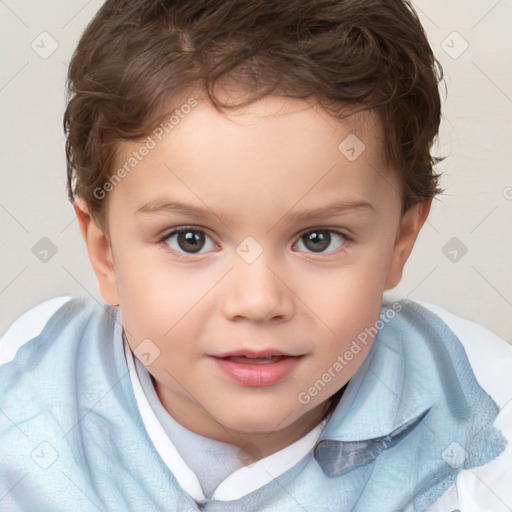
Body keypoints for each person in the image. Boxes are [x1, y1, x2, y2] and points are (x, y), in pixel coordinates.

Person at [1, 0, 511, 510]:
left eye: (318, 239)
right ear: (105, 252)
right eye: (190, 239)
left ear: (401, 241)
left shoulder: (483, 425)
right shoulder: (25, 395)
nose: (258, 301)